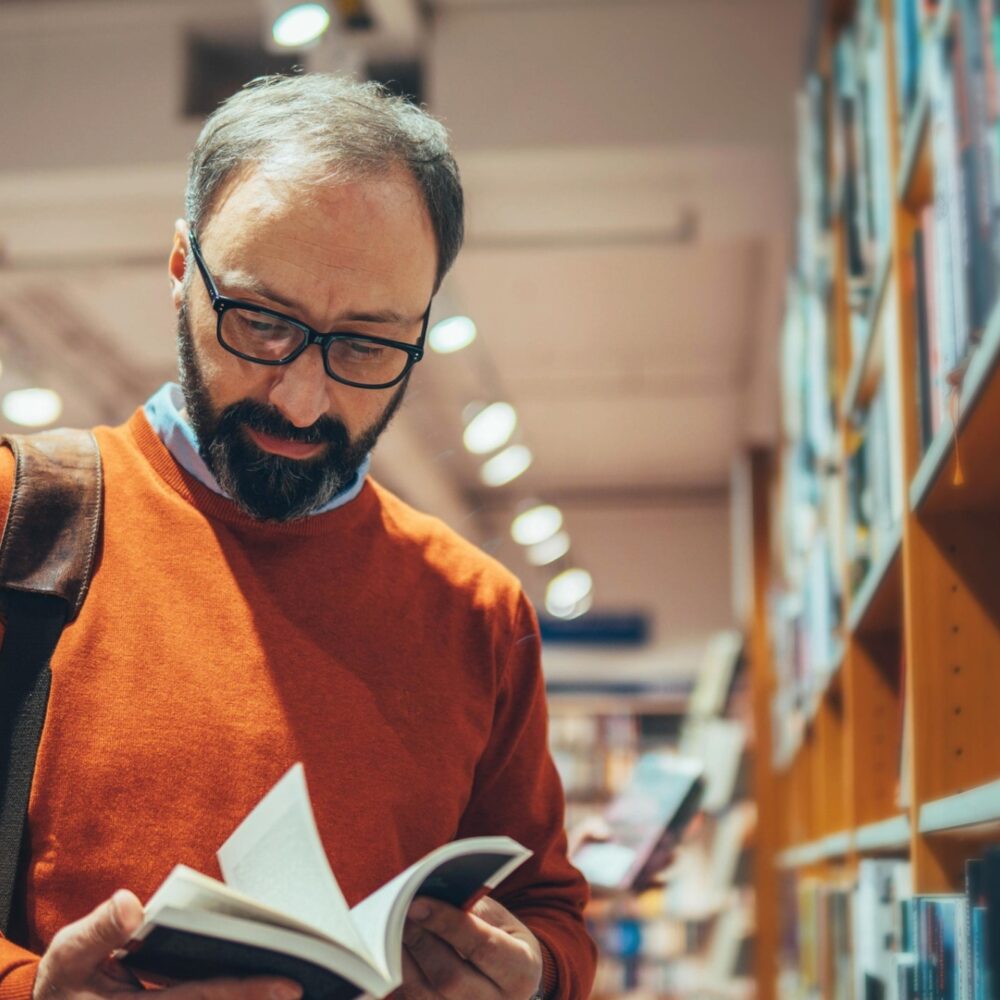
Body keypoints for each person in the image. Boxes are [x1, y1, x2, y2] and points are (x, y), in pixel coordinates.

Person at [0, 74, 596, 1000]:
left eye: (366, 344)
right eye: (262, 323)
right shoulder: (19, 518)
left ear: (422, 327)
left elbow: (550, 907)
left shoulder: (475, 609)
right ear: (178, 272)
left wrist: (534, 973)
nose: (302, 397)